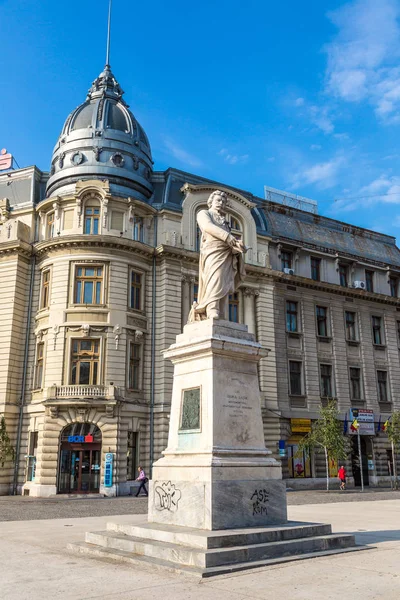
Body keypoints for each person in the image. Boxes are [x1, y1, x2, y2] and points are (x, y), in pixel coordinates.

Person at [189, 190, 247, 321]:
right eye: (218, 200)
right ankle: (212, 308)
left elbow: (229, 241)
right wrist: (227, 236)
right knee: (215, 278)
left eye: (223, 201)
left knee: (225, 283)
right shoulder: (203, 213)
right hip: (212, 251)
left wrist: (237, 246)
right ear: (211, 202)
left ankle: (221, 312)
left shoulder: (225, 222)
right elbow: (207, 226)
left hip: (226, 253)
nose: (221, 203)